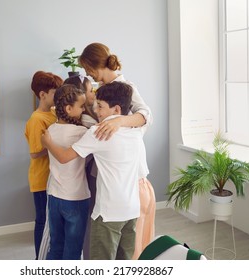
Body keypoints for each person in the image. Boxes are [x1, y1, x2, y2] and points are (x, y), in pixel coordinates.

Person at [42, 81, 142, 260]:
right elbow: (145, 115)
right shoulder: (135, 130)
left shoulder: (99, 132)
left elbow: (64, 157)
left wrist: (48, 143)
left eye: (100, 106)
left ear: (116, 110)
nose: (95, 111)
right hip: (132, 209)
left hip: (108, 212)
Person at [79, 43, 156, 259]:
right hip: (108, 168)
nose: (88, 75)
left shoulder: (126, 87)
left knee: (123, 243)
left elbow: (147, 116)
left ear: (95, 65)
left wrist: (120, 121)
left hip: (126, 174)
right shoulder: (101, 90)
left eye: (88, 69)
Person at [45, 84, 90, 260]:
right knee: (72, 250)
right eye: (81, 106)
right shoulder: (81, 132)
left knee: (55, 246)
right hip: (75, 198)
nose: (84, 110)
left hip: (54, 196)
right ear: (69, 108)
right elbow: (95, 123)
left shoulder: (51, 130)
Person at [24, 70, 63, 259]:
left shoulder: (55, 113)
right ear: (42, 95)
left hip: (53, 177)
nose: (59, 96)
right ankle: (39, 259)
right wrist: (55, 145)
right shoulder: (36, 120)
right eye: (56, 93)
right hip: (41, 179)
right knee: (42, 220)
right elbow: (34, 152)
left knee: (52, 222)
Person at [63, 75, 98, 260]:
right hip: (91, 178)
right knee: (89, 224)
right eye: (90, 90)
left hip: (86, 177)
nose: (93, 93)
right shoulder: (88, 122)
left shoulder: (86, 118)